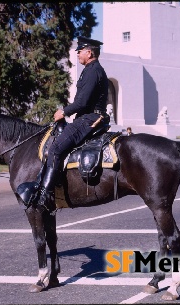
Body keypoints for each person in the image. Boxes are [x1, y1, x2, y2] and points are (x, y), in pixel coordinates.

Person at [23, 36, 109, 210]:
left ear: (89, 52)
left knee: (55, 148)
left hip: (89, 119)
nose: (77, 53)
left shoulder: (93, 71)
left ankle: (45, 195)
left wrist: (64, 111)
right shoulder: (92, 69)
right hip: (90, 117)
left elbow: (82, 103)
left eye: (80, 50)